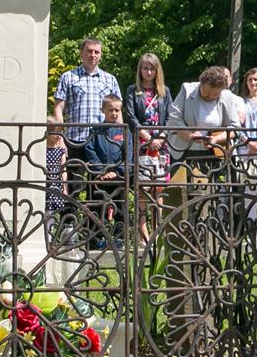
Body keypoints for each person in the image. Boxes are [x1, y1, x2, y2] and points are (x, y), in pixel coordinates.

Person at [52, 37, 121, 184]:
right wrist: (59, 137)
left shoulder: (110, 79)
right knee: (73, 184)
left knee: (99, 186)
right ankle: (72, 201)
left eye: (96, 52)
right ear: (81, 53)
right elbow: (58, 108)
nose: (93, 55)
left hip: (101, 141)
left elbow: (117, 110)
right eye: (89, 51)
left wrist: (120, 138)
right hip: (75, 139)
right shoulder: (68, 77)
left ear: (101, 55)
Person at [83, 95, 130, 248]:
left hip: (118, 178)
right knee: (96, 208)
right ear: (103, 110)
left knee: (120, 209)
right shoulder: (95, 130)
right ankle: (95, 240)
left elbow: (128, 154)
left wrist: (117, 171)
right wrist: (101, 171)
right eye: (110, 110)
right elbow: (90, 150)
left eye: (117, 110)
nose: (114, 113)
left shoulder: (124, 131)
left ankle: (120, 239)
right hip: (99, 178)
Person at [169, 66, 241, 165]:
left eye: (215, 94)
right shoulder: (187, 90)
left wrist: (216, 139)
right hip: (184, 152)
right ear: (201, 84)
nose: (210, 96)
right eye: (207, 93)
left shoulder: (227, 96)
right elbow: (174, 118)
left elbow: (235, 128)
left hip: (215, 153)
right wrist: (190, 135)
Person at [125, 52, 173, 184]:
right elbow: (130, 116)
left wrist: (160, 138)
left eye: (152, 69)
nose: (149, 72)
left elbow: (170, 117)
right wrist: (148, 139)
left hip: (161, 141)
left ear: (157, 71)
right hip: (141, 141)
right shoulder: (132, 90)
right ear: (140, 70)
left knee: (160, 182)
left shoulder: (165, 91)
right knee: (143, 182)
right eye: (145, 68)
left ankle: (159, 200)